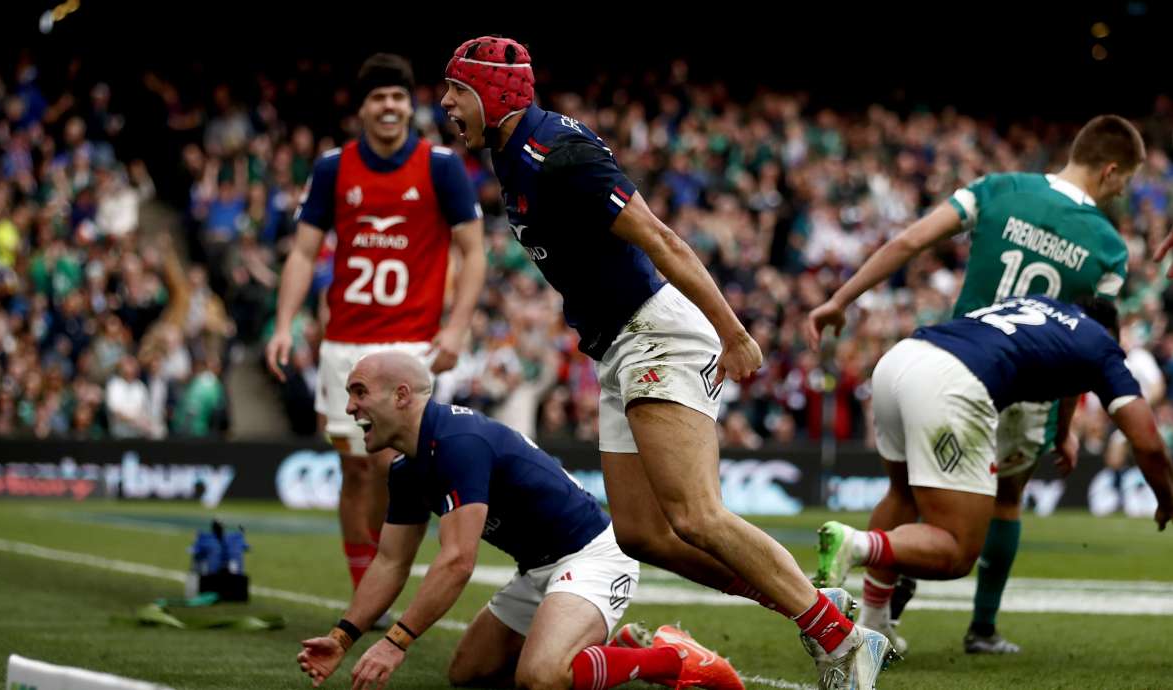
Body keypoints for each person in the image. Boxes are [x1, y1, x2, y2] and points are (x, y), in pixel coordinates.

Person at [440, 36, 890, 688]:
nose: (447, 104)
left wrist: (732, 333)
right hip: (620, 345)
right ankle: (816, 605)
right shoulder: (509, 155)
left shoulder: (559, 152)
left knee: (697, 515)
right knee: (643, 536)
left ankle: (844, 640)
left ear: (492, 92)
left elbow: (660, 238)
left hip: (658, 333)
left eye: (456, 90)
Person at [806, 114, 1146, 654]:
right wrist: (1064, 424)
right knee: (1005, 503)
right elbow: (1084, 342)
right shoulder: (1109, 249)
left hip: (953, 358)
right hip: (1023, 391)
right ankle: (981, 627)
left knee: (905, 492)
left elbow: (910, 240)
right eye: (1124, 182)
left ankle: (874, 615)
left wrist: (840, 299)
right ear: (1110, 171)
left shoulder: (998, 188)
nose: (1121, 193)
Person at [296, 351, 744, 690]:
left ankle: (670, 660)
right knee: (467, 673)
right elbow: (390, 562)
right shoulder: (407, 467)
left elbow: (456, 562)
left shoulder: (458, 442)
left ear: (401, 396)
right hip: (539, 569)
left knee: (542, 677)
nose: (350, 407)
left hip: (593, 557)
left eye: (359, 392)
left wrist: (396, 641)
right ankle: (611, 646)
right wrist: (341, 637)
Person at [812, 296, 1173, 657]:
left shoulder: (1041, 307)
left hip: (901, 359)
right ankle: (857, 544)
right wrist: (1167, 497)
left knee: (901, 494)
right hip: (951, 382)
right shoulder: (1099, 343)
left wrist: (1062, 432)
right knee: (957, 549)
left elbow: (1070, 381)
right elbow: (1148, 442)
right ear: (1111, 332)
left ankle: (873, 622)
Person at [265, 53, 486, 601]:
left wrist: (457, 329)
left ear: (410, 106)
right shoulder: (332, 168)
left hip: (412, 343)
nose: (389, 106)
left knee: (396, 468)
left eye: (398, 96)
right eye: (378, 97)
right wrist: (283, 324)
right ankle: (364, 583)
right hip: (344, 343)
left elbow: (474, 252)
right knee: (356, 471)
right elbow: (304, 252)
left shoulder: (440, 166)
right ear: (361, 109)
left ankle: (388, 581)